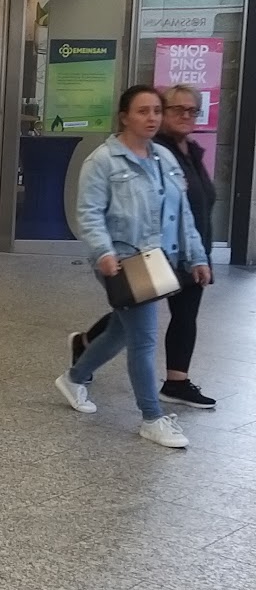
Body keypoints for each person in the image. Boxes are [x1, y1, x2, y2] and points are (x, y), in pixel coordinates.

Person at [56, 85, 210, 449]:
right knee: (143, 339)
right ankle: (152, 418)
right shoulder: (103, 161)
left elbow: (184, 214)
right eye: (143, 111)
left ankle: (74, 378)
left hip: (159, 260)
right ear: (125, 117)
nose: (152, 118)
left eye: (156, 111)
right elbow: (90, 214)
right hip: (123, 260)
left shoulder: (164, 158)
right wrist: (103, 252)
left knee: (120, 333)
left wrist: (197, 257)